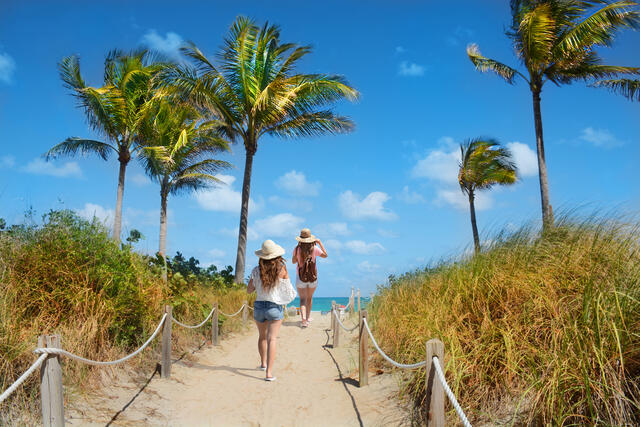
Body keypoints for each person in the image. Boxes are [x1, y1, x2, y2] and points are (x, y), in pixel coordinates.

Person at [247, 240, 291, 381]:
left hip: (259, 306)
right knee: (272, 339)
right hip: (274, 307)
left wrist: (258, 285)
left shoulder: (255, 270)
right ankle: (269, 373)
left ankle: (263, 364)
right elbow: (288, 291)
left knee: (262, 337)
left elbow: (249, 290)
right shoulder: (281, 269)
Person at [292, 228, 328, 328]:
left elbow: (294, 261)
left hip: (300, 277)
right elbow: (325, 255)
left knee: (302, 299)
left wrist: (297, 254)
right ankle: (308, 318)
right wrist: (320, 243)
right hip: (313, 277)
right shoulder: (314, 248)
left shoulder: (297, 249)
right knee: (309, 298)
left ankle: (303, 320)